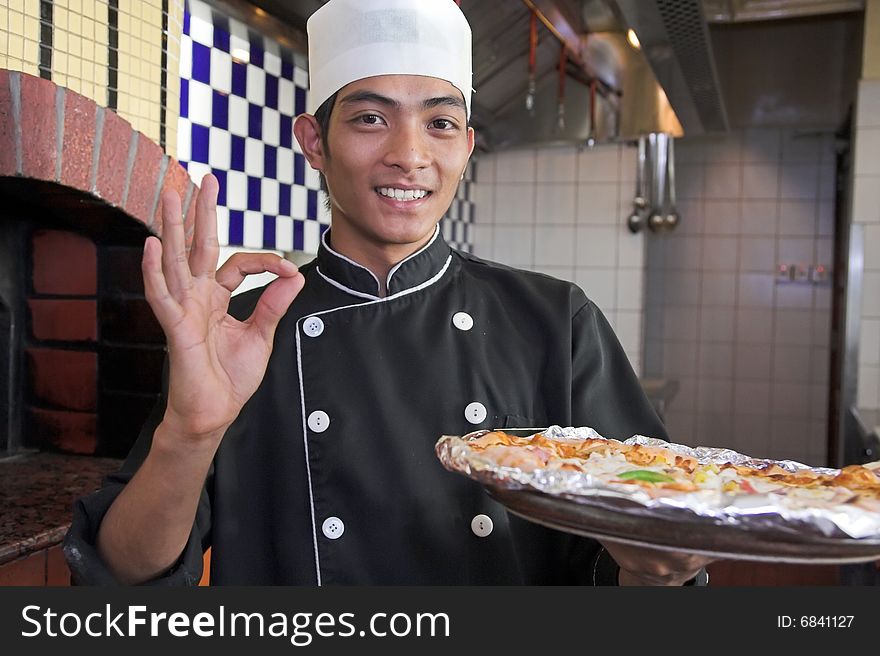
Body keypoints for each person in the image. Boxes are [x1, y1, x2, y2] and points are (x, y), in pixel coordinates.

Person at [64, 0, 712, 586]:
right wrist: (188, 433)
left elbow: (636, 556)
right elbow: (120, 578)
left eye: (440, 124)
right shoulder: (240, 337)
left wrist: (657, 573)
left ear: (466, 146)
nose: (409, 154)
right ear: (314, 142)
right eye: (372, 118)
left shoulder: (555, 322)